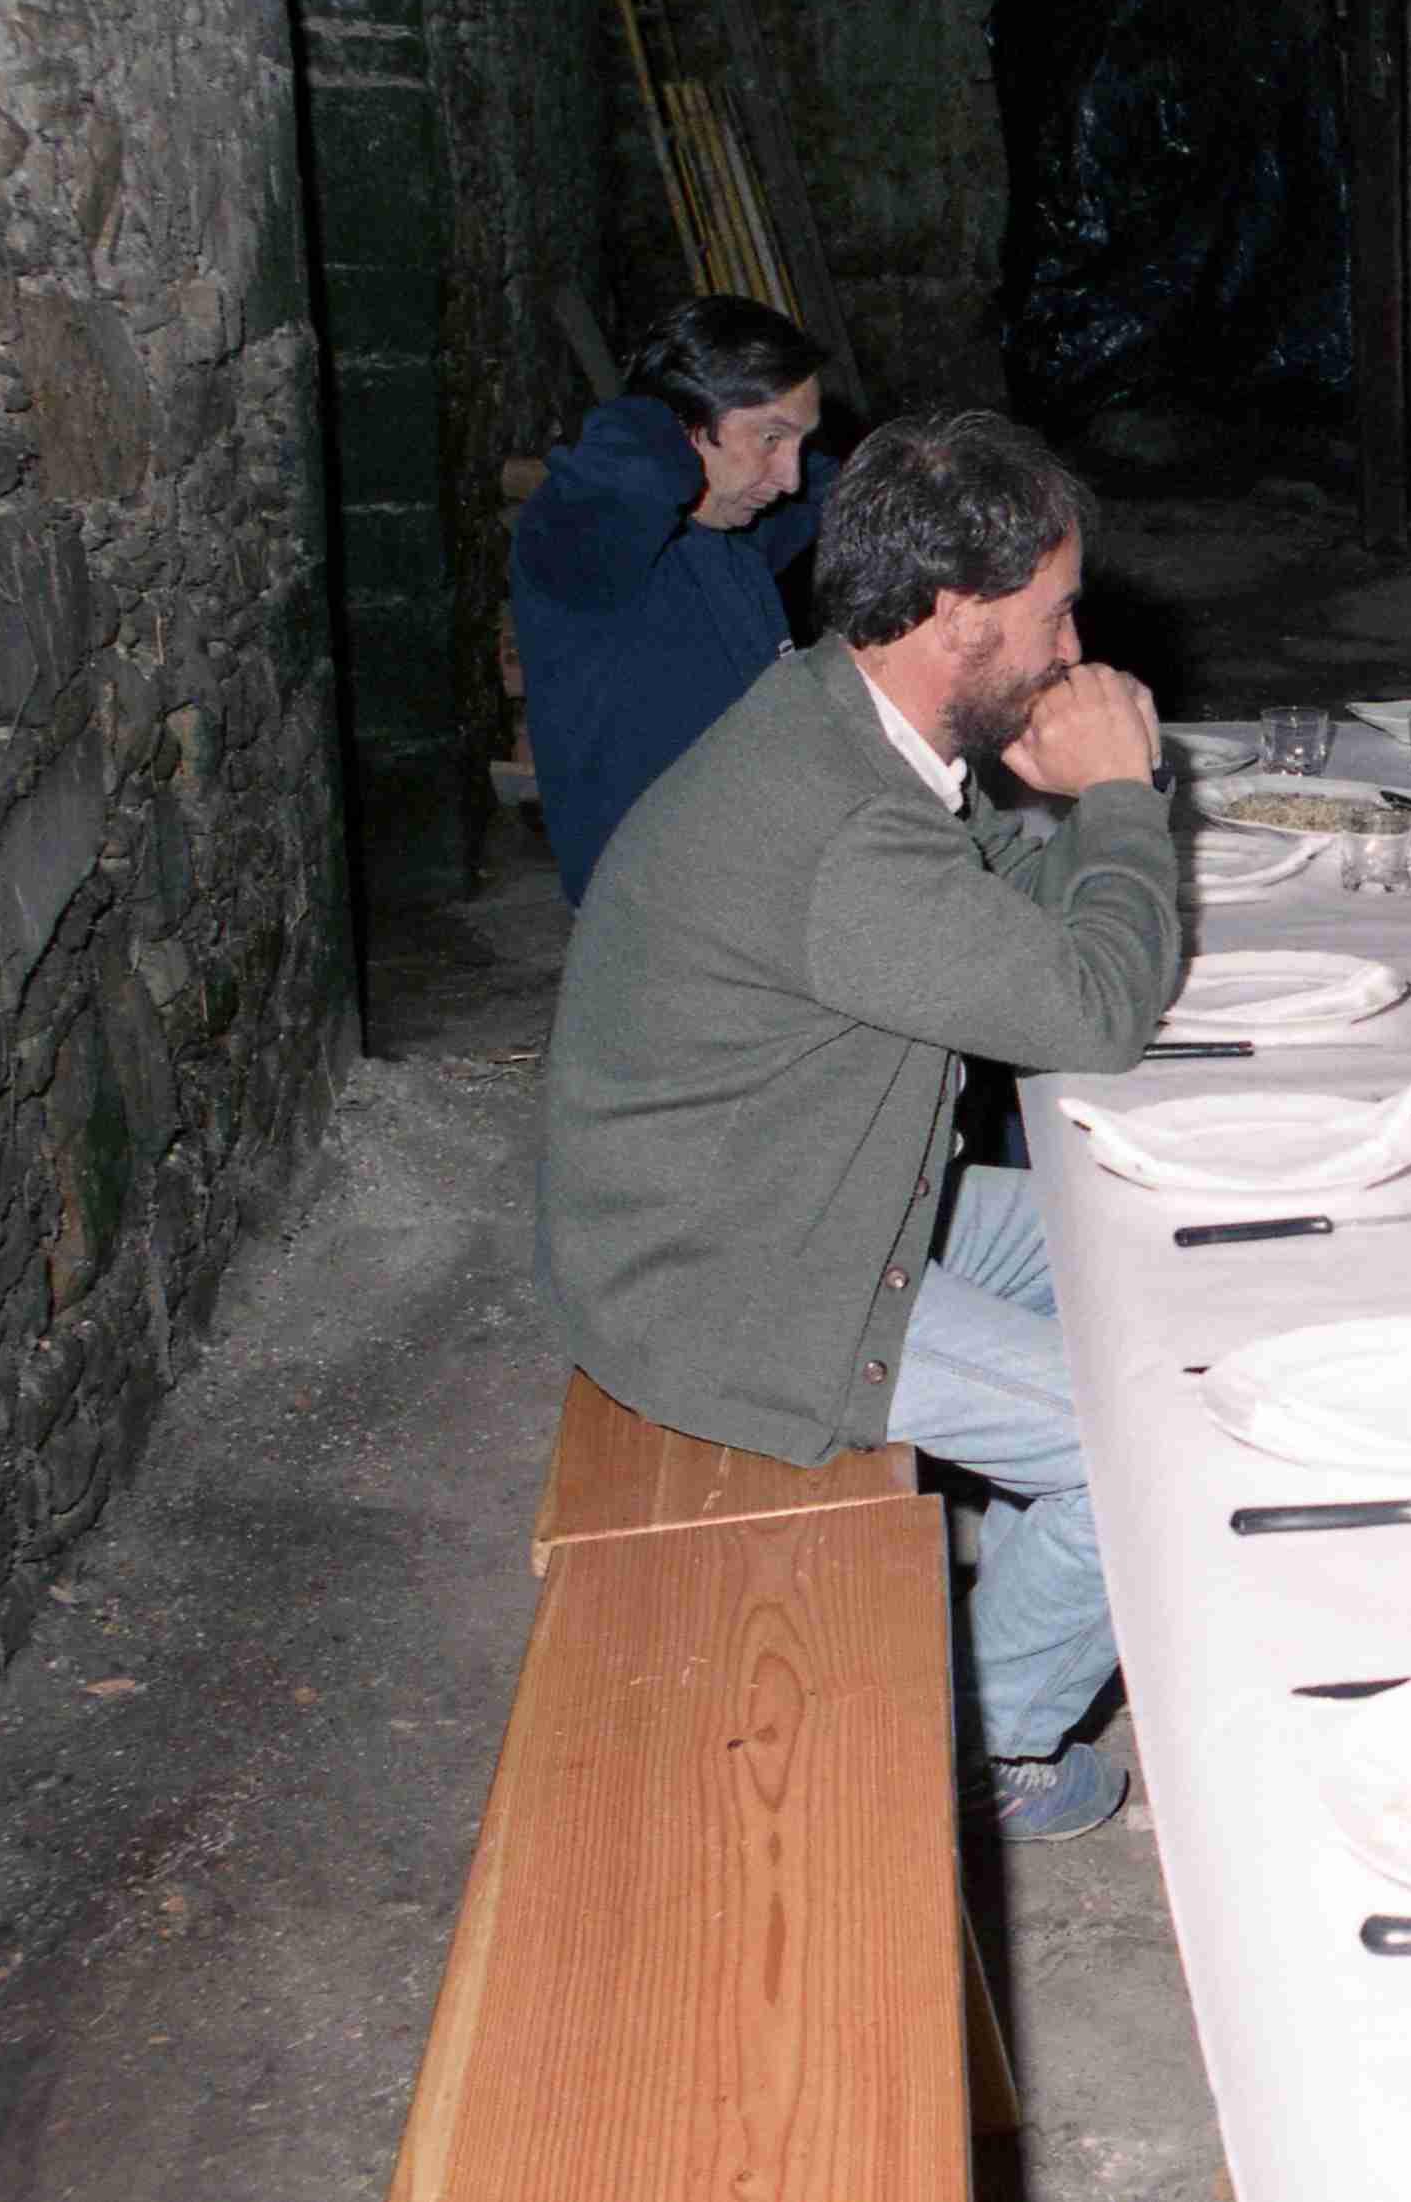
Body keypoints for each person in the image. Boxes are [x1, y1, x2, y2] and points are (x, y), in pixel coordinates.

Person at [535, 409, 1178, 1843]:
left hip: (811, 1198)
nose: (1074, 647)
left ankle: (1030, 1615)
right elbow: (1096, 1013)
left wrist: (1085, 819)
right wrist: (1125, 801)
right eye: (1054, 613)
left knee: (1145, 1231)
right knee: (1138, 1454)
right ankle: (989, 1753)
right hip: (739, 1288)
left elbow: (1004, 905)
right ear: (957, 615)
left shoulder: (841, 718)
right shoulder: (841, 826)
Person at [509, 294, 836, 903]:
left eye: (798, 442)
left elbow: (839, 487)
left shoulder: (742, 532)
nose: (788, 476)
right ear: (684, 429)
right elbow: (625, 466)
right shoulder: (585, 541)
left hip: (758, 883)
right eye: (771, 437)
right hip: (662, 917)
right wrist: (661, 415)